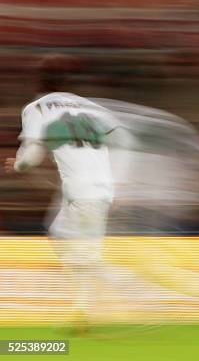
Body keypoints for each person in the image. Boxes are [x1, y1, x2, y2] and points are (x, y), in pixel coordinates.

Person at [3, 54, 131, 330]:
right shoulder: (92, 108)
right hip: (97, 189)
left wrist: (18, 165)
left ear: (38, 82)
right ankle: (82, 311)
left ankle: (125, 290)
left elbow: (32, 156)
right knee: (61, 234)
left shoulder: (37, 108)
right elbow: (121, 140)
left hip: (82, 191)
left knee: (82, 253)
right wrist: (118, 181)